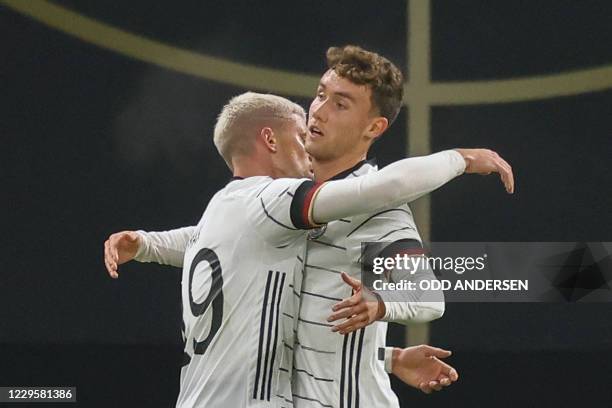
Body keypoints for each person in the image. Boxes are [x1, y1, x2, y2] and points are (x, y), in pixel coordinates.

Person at [105, 49, 513, 407]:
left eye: (341, 104)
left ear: (374, 128)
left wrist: (382, 304)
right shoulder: (279, 198)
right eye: (320, 93)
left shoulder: (381, 212)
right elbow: (218, 245)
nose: (318, 110)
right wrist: (146, 244)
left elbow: (426, 294)